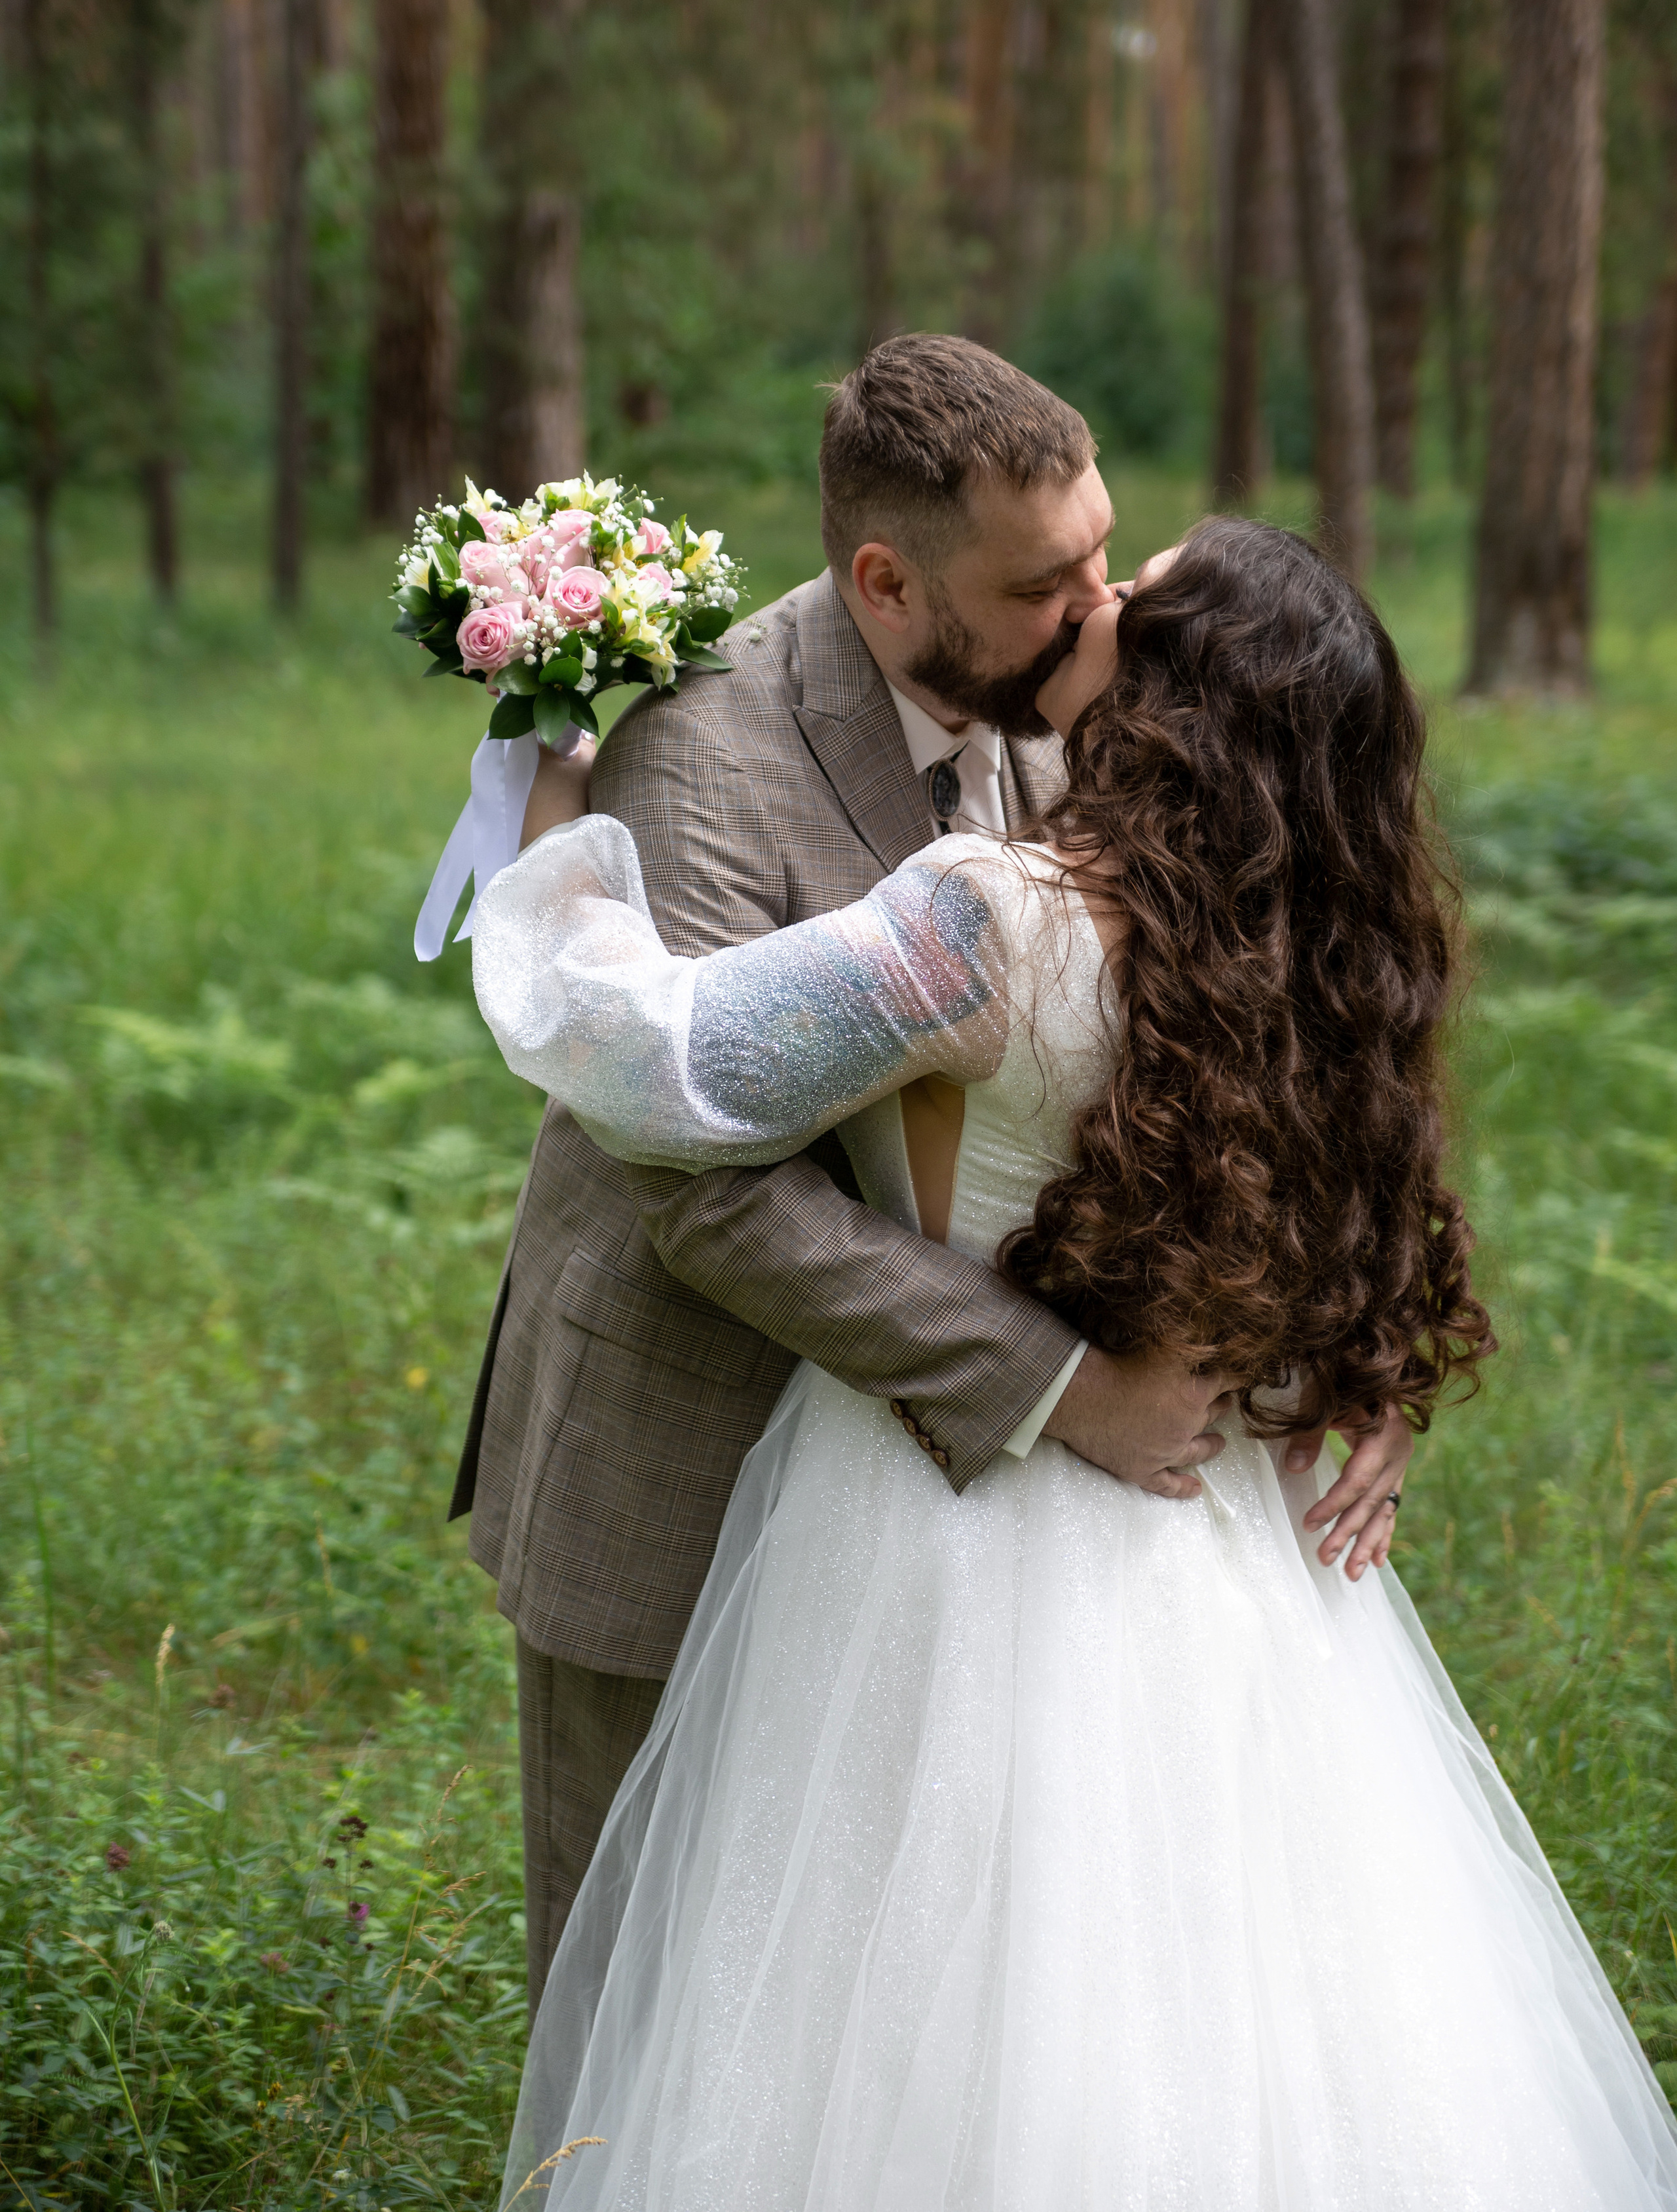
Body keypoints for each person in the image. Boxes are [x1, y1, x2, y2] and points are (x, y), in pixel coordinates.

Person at [472, 514, 1677, 2209]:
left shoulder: (990, 922)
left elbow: (662, 1066)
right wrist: (1374, 1369)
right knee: (1220, 2000)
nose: (1095, 599)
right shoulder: (1310, 955)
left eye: (1135, 592)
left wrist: (555, 832)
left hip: (933, 1527)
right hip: (1218, 1552)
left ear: (1175, 696)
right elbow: (1347, 1189)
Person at [450, 337, 1409, 2018]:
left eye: (1108, 555)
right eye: (1047, 583)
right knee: (646, 2002)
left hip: (967, 1525)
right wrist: (1061, 1386)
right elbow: (699, 1182)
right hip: (687, 1436)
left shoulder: (1106, 712)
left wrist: (1359, 1335)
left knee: (914, 1996)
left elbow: (1269, 1034)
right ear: (887, 583)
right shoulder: (708, 753)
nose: (1104, 605)